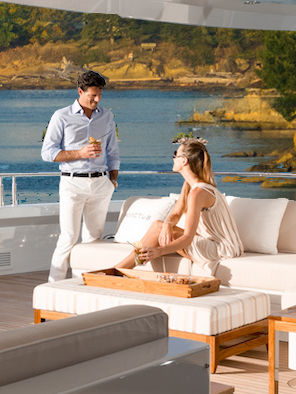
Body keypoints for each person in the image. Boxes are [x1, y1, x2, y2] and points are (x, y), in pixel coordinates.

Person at [115, 137, 242, 275]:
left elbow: (188, 237)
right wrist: (168, 224)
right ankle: (120, 269)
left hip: (221, 249)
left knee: (158, 228)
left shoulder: (198, 192)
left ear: (184, 160)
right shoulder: (189, 185)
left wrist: (158, 251)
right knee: (160, 225)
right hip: (211, 244)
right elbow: (176, 213)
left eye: (176, 154)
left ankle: (118, 270)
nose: (173, 158)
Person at [42, 70, 120, 282]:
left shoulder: (106, 116)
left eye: (100, 95)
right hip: (72, 183)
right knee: (68, 237)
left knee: (93, 239)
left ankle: (83, 282)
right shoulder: (61, 116)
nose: (97, 99)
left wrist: (112, 180)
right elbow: (47, 153)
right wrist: (80, 153)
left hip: (101, 183)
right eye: (92, 95)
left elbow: (113, 151)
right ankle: (54, 287)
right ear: (80, 91)